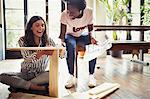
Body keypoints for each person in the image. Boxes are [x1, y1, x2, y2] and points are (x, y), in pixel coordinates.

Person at [0, 16, 55, 94]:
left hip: (40, 74)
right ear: (31, 27)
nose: (41, 28)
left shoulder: (48, 41)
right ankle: (38, 87)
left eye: (43, 25)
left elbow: (62, 55)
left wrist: (62, 52)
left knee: (55, 74)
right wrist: (41, 52)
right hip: (25, 73)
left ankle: (20, 86)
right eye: (37, 25)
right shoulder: (22, 40)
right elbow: (27, 59)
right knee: (2, 76)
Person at [59, 0, 97, 88]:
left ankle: (91, 75)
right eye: (68, 11)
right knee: (71, 46)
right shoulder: (64, 14)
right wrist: (61, 43)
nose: (69, 14)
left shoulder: (89, 12)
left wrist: (93, 38)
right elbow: (62, 33)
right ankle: (71, 76)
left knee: (93, 46)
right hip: (70, 35)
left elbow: (91, 29)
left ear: (81, 10)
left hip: (83, 35)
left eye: (72, 12)